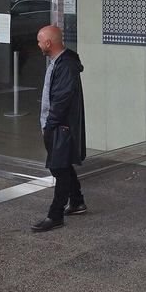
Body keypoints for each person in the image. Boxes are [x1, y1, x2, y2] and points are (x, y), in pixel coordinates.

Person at [31, 25, 87, 232]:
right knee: (61, 165)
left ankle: (55, 215)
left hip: (60, 126)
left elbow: (62, 99)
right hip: (57, 125)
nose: (37, 44)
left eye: (39, 40)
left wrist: (50, 124)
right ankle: (77, 201)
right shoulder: (59, 62)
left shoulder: (66, 65)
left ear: (48, 43)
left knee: (59, 168)